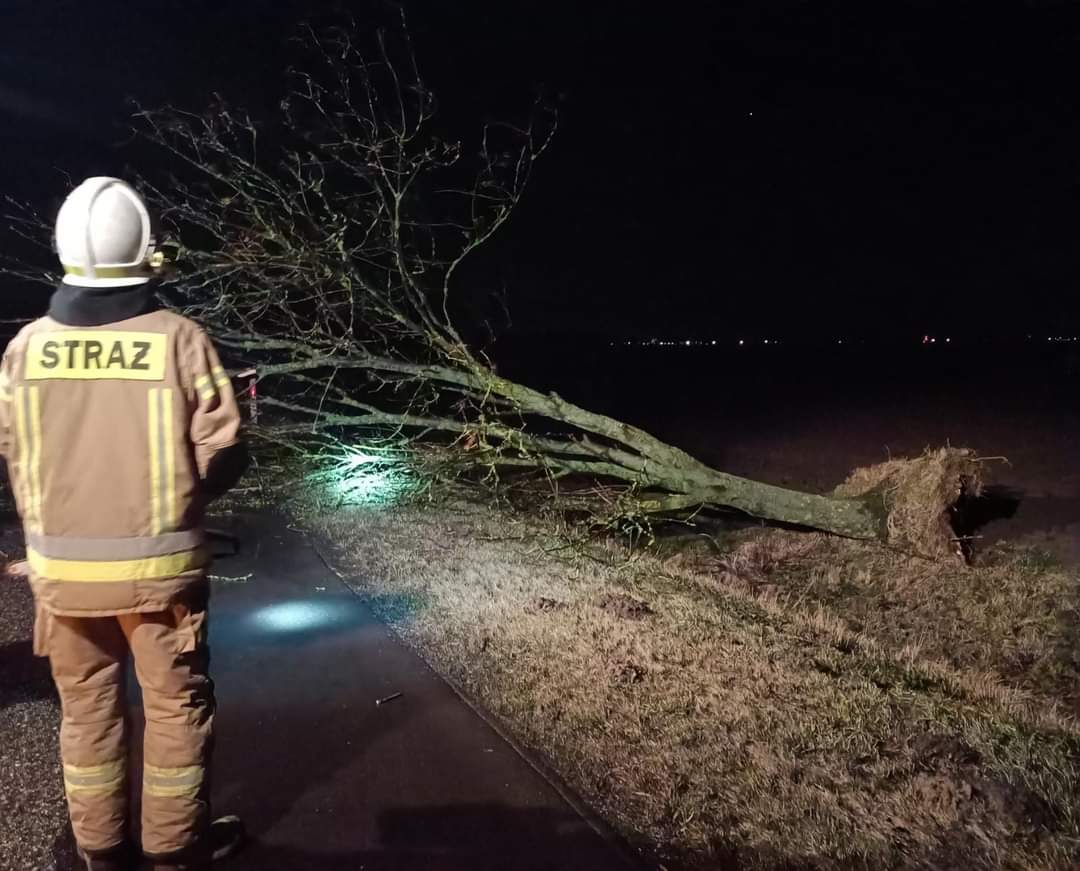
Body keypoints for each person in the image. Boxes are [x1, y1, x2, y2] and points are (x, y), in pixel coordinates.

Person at [0, 178, 248, 870]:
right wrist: (182, 500)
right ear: (146, 252)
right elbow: (225, 449)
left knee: (86, 713)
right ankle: (174, 849)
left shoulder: (26, 348)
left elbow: (11, 447)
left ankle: (101, 852)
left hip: (63, 580)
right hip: (160, 578)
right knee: (175, 710)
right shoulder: (180, 340)